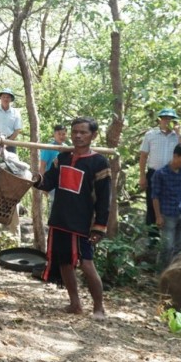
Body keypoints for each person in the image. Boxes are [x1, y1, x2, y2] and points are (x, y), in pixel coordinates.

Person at [34, 117, 110, 320]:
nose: (78, 135)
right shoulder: (63, 157)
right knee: (65, 262)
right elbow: (49, 181)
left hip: (81, 222)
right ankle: (75, 304)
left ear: (93, 135)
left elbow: (104, 199)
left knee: (86, 264)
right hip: (60, 217)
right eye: (75, 131)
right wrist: (36, 179)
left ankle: (99, 308)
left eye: (83, 132)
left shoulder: (99, 163)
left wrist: (99, 226)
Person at [139, 108, 181, 248]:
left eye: (171, 119)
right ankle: (153, 240)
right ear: (159, 119)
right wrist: (142, 176)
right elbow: (143, 156)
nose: (168, 121)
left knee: (171, 205)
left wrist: (179, 134)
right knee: (152, 204)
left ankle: (170, 240)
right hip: (154, 174)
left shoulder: (178, 136)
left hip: (173, 175)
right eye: (165, 118)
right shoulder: (151, 134)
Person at [151, 144, 181, 269]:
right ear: (175, 156)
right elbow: (155, 196)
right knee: (167, 246)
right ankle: (160, 273)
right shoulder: (160, 174)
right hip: (167, 213)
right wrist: (158, 216)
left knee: (180, 247)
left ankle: (176, 274)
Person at [39, 125, 68, 208]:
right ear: (54, 134)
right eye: (59, 134)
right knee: (56, 203)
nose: (61, 136)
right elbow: (42, 166)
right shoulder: (49, 148)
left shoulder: (67, 148)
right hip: (51, 180)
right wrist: (43, 184)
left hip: (63, 181)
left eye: (63, 134)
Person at [0, 88, 22, 153]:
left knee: (11, 162)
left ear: (11, 99)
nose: (5, 99)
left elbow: (17, 130)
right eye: (4, 97)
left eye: (8, 97)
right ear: (0, 98)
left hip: (10, 143)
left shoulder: (16, 112)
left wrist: (7, 143)